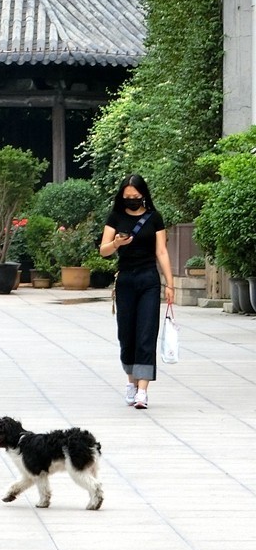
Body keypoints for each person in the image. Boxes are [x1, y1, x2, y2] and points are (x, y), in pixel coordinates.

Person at [99, 174, 175, 410]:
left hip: (148, 280)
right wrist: (117, 244)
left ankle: (142, 391)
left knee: (146, 333)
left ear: (144, 195)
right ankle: (131, 382)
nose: (132, 200)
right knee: (127, 334)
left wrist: (170, 284)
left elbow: (161, 252)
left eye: (136, 197)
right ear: (122, 197)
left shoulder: (154, 218)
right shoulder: (116, 217)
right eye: (127, 197)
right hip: (125, 281)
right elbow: (103, 250)